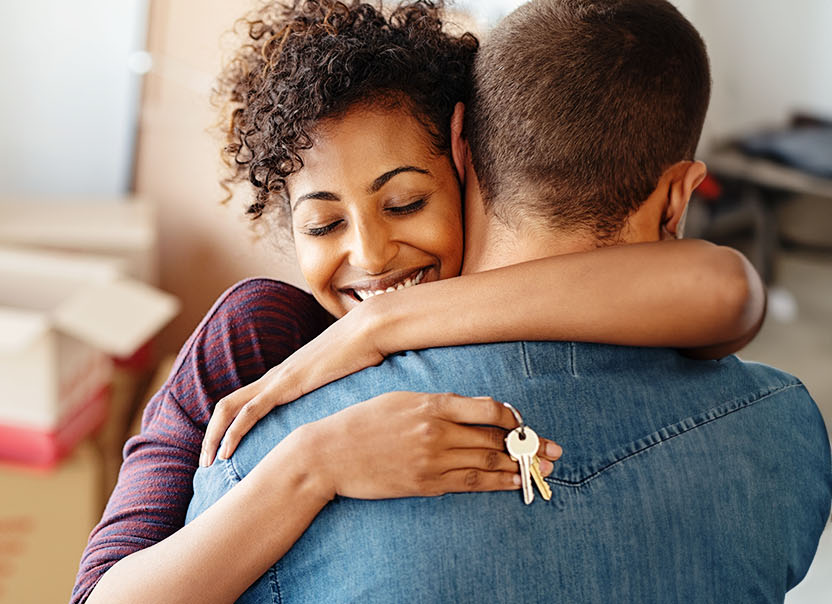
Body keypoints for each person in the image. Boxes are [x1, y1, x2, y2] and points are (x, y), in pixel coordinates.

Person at [72, 1, 777, 602]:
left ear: (470, 168)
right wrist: (311, 465)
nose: (372, 255)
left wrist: (380, 325)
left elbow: (724, 289)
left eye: (405, 202)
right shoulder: (257, 334)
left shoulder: (521, 302)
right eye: (323, 224)